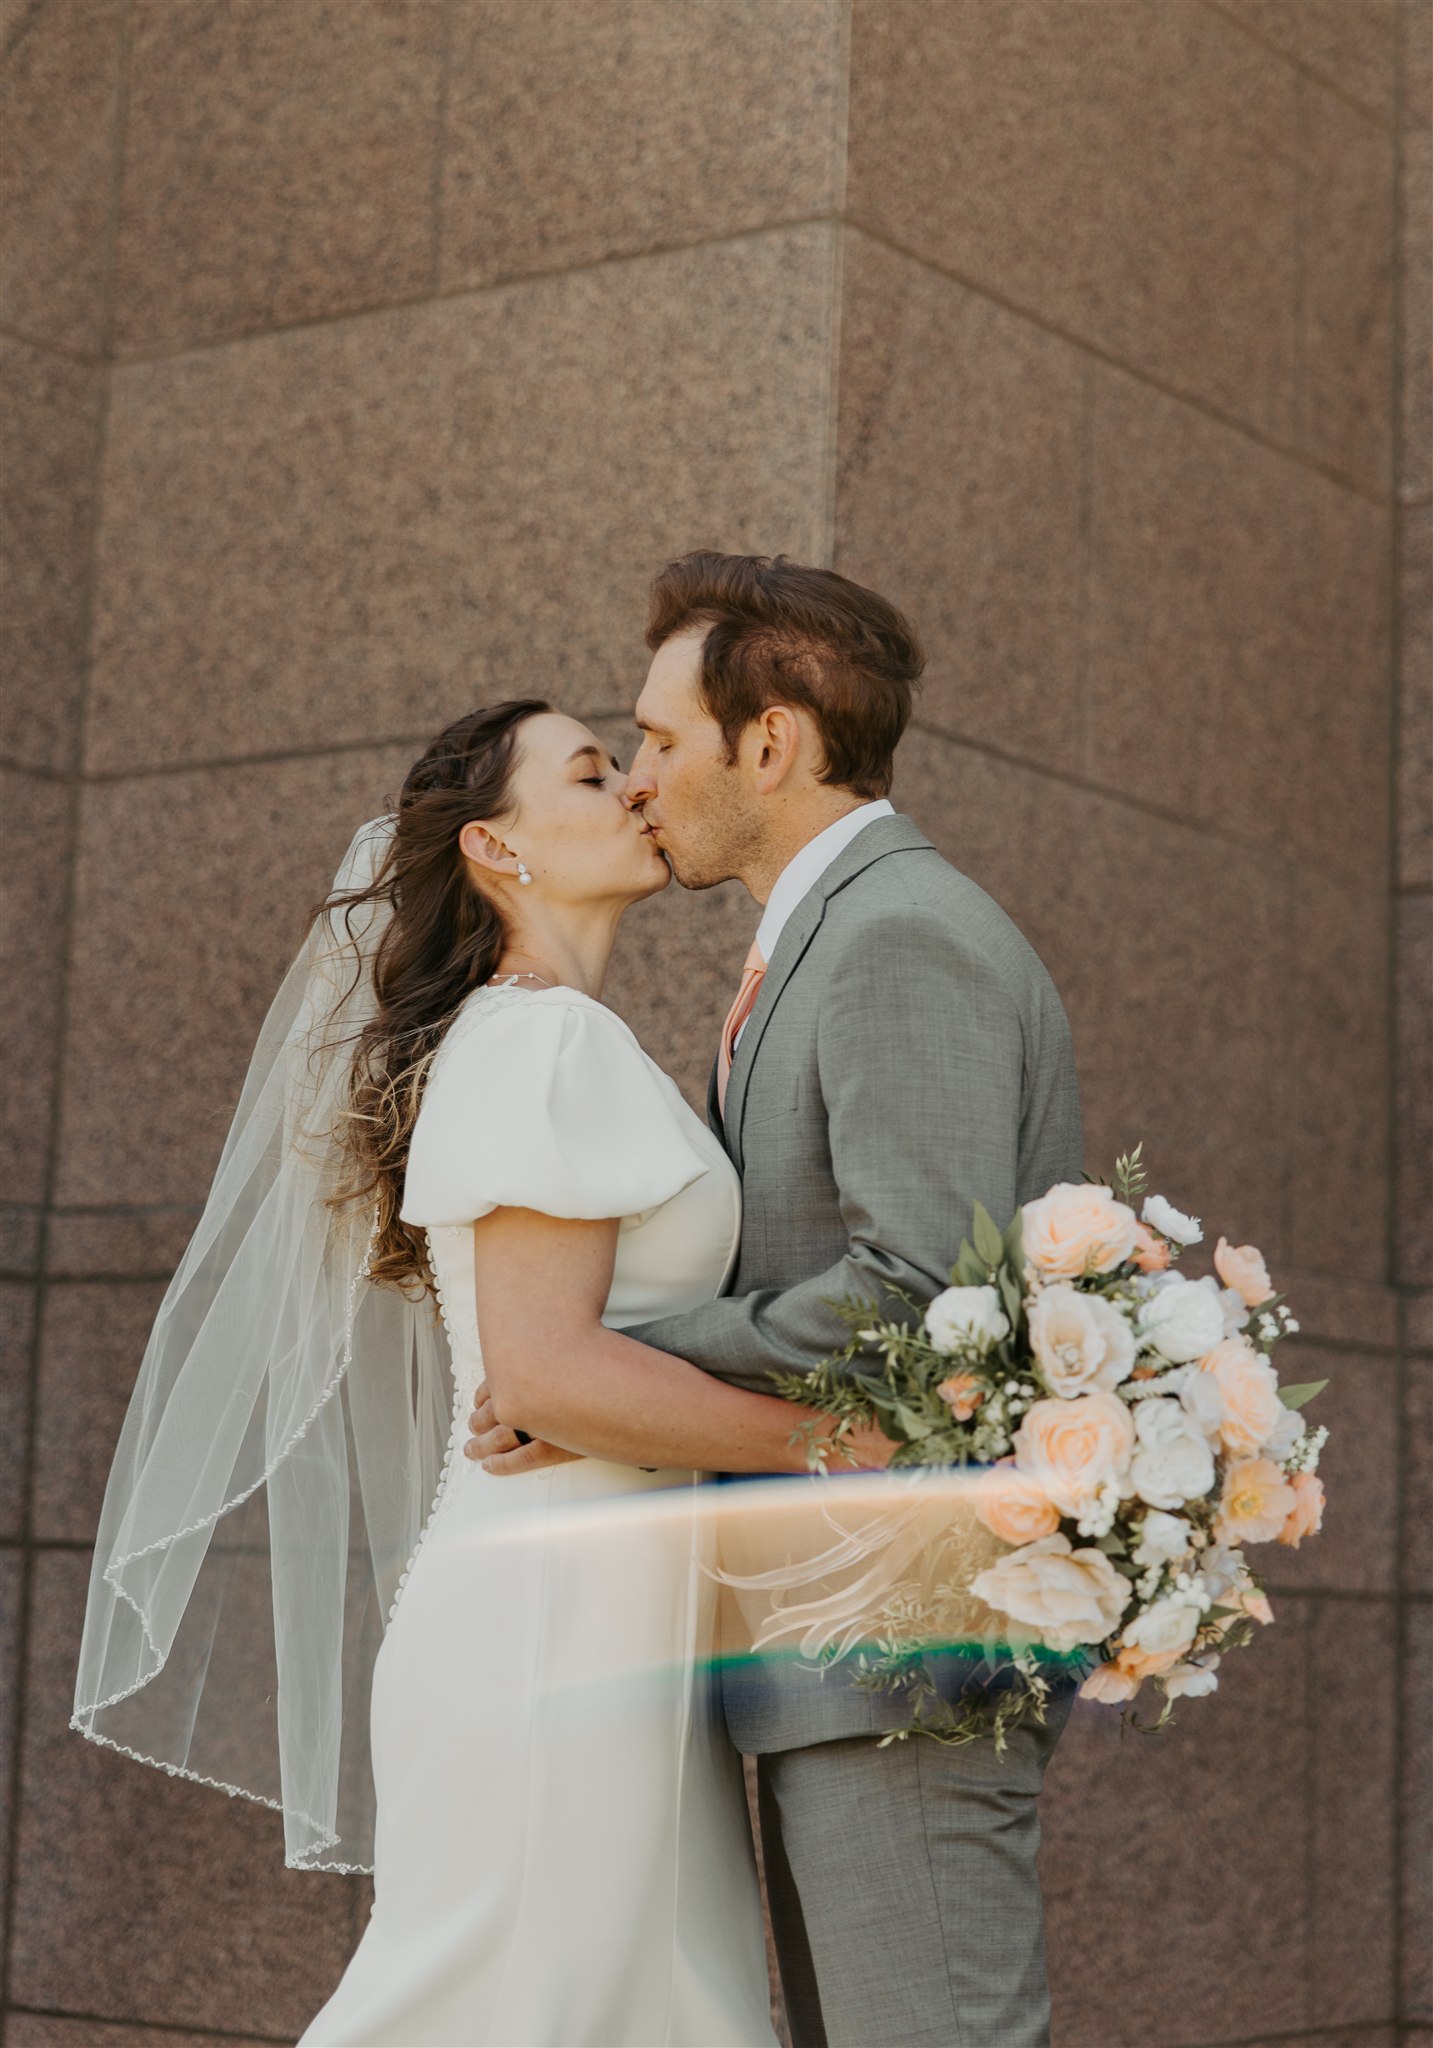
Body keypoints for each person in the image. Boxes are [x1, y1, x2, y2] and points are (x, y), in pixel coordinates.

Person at [73, 689, 891, 2048]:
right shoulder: (541, 1041)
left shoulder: (557, 1039)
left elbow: (564, 1363)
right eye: (585, 773)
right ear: (496, 849)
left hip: (607, 1624)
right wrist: (839, 1445)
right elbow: (548, 1378)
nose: (632, 788)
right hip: (549, 1632)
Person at [466, 551, 1086, 2048]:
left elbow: (910, 1290)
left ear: (773, 742)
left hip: (899, 1640)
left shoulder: (895, 934)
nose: (644, 783)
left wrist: (598, 1361)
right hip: (836, 1643)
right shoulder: (823, 935)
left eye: (663, 742)